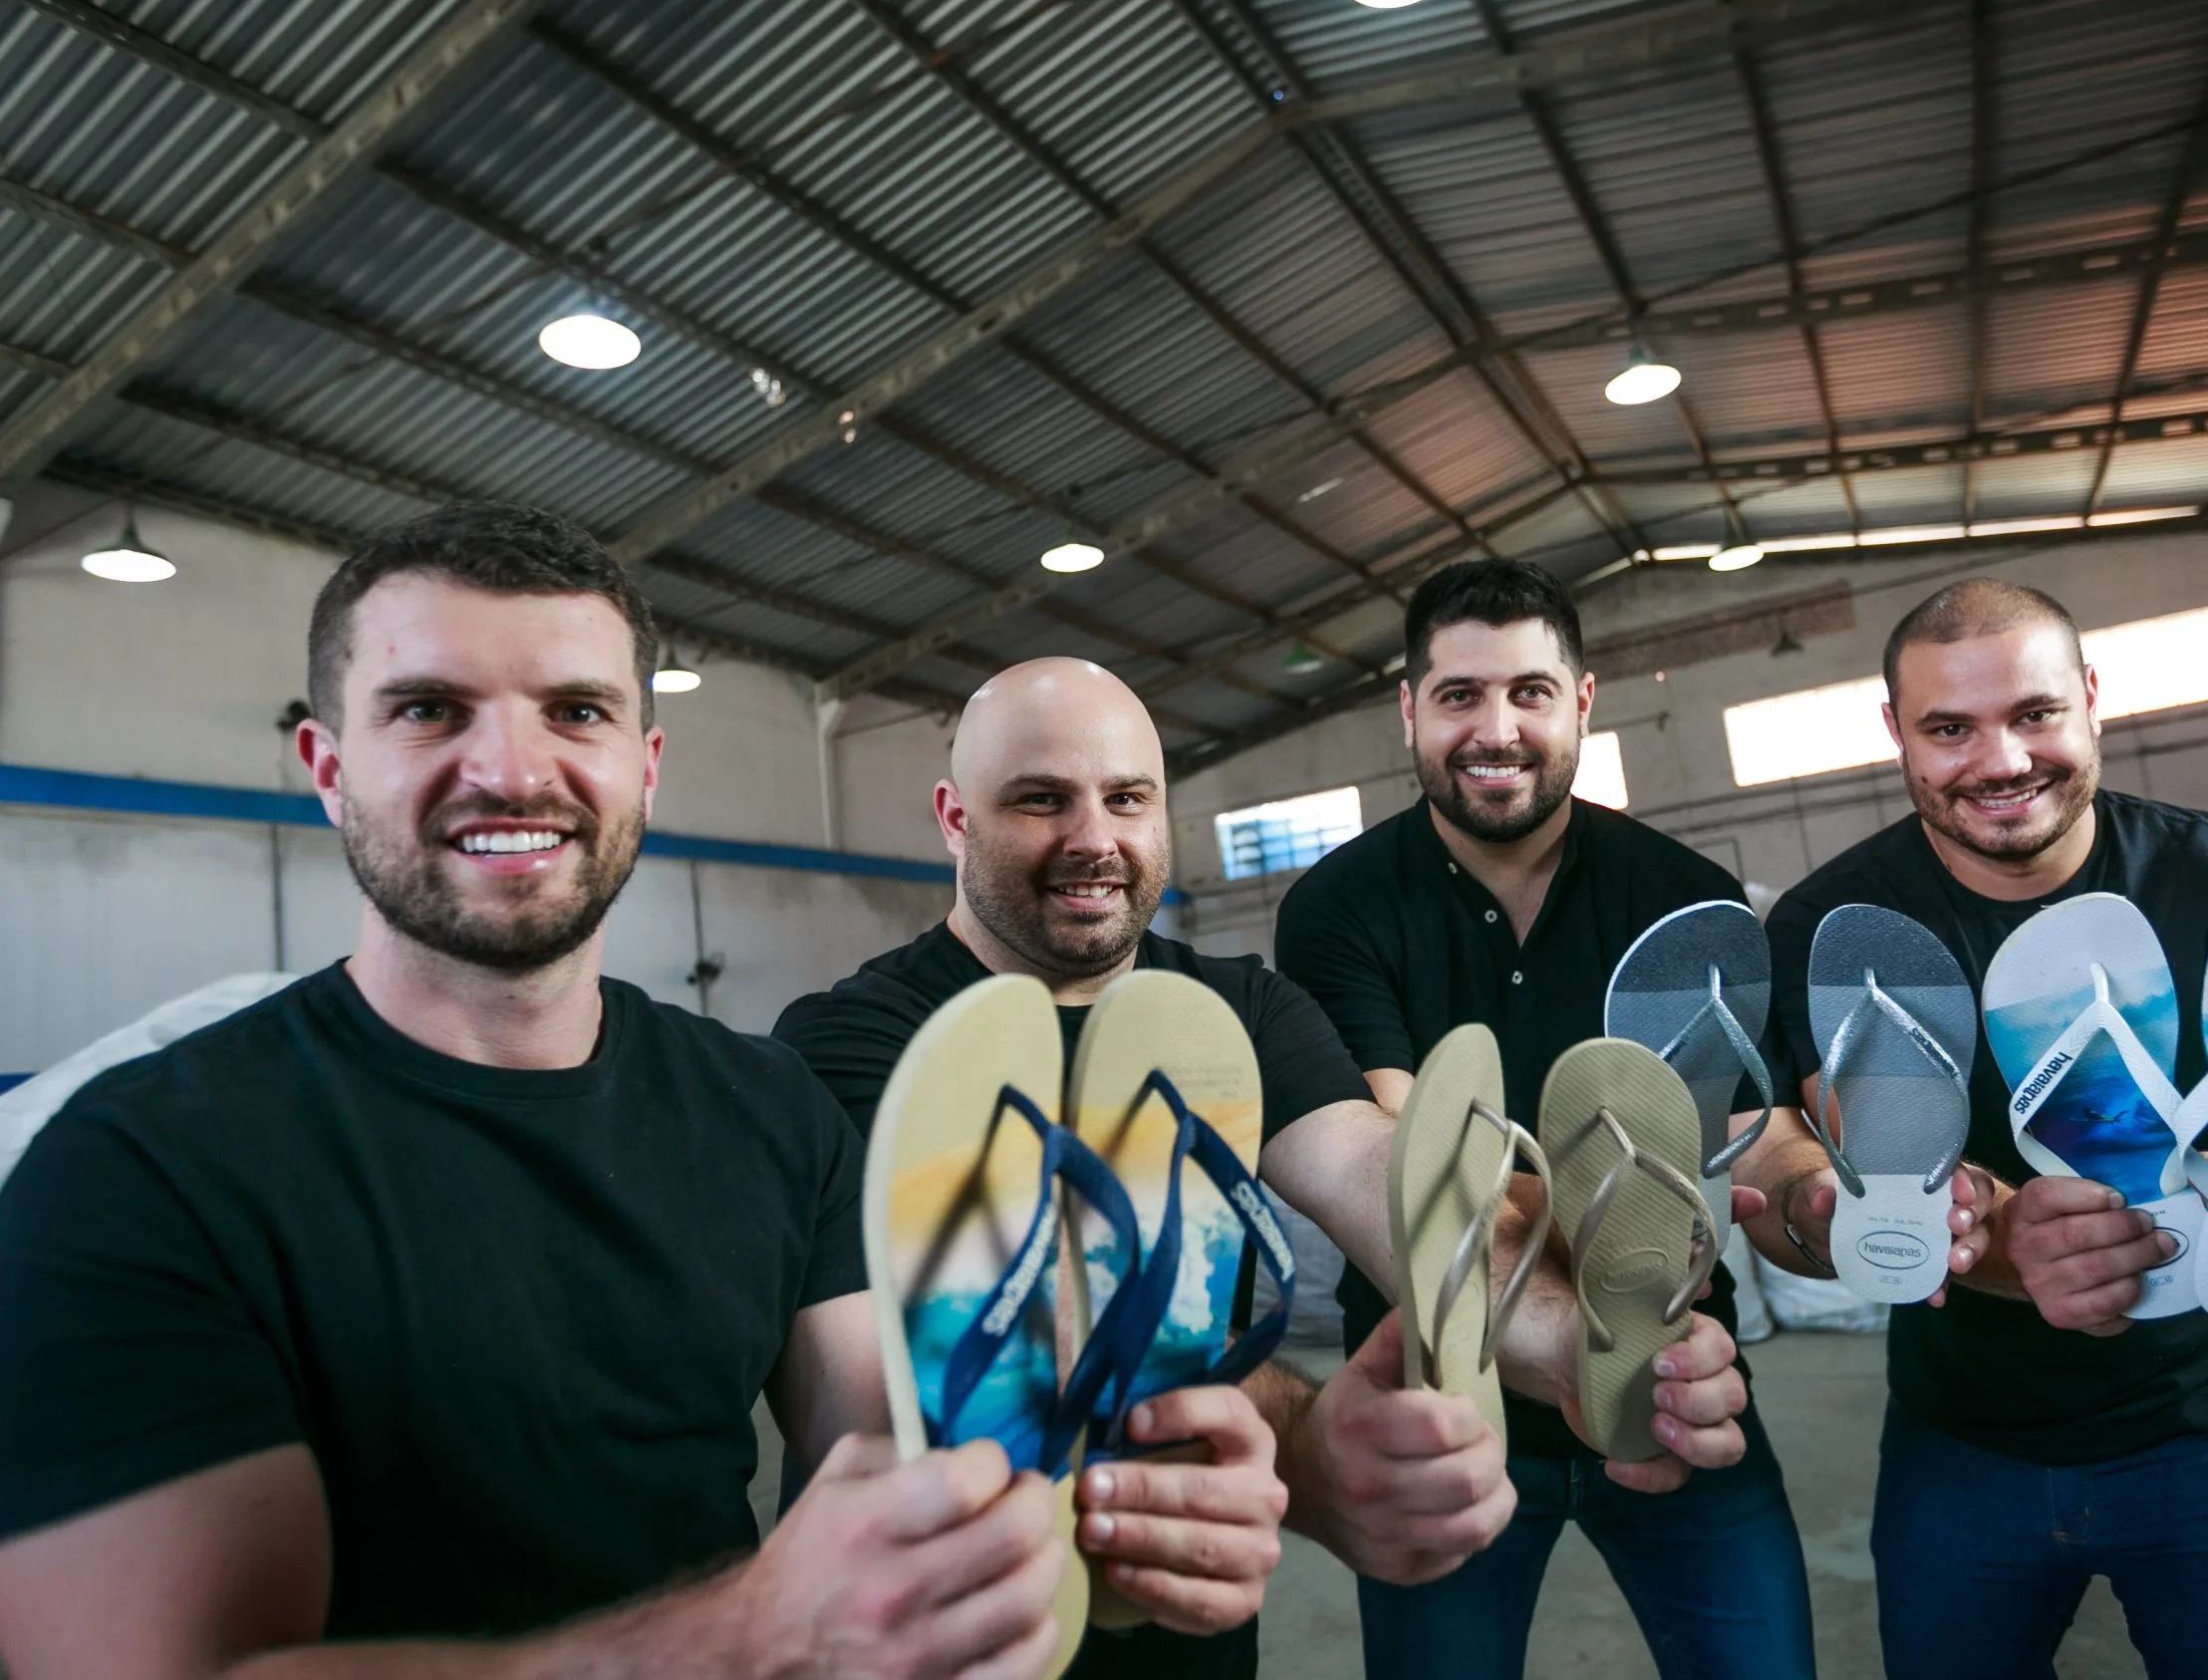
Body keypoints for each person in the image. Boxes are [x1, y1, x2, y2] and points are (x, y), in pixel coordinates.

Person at [0, 504, 1282, 1680]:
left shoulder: (768, 1111)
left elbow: (905, 1487)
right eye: (430, 709)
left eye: (575, 711)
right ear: (327, 766)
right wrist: (743, 1638)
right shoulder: (139, 1166)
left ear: (647, 763)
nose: (512, 769)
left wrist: (1114, 1544)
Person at [1738, 577, 2208, 1680]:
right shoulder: (1841, 927)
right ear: (1896, 735)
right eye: (1948, 728)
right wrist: (1936, 1222)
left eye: (2033, 715)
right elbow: (1827, 1141)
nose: (2000, 761)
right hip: (1963, 1440)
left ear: (2089, 699)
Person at [774, 657, 1523, 1680]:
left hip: (1191, 1622)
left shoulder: (1241, 1009)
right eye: (1041, 800)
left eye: (1126, 798)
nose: (1094, 840)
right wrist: (1301, 1443)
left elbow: (1373, 1174)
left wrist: (1595, 1330)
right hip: (956, 1634)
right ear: (955, 819)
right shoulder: (853, 1040)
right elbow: (959, 1348)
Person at [1273, 559, 1817, 1680]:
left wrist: (1812, 1202)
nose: (1496, 728)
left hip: (1665, 1377)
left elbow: (1745, 1136)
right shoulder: (1338, 907)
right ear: (1410, 711)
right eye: (1460, 695)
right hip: (1442, 1399)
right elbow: (1409, 1158)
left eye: (1528, 691)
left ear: (1580, 701)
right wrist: (1598, 1287)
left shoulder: (1681, 894)